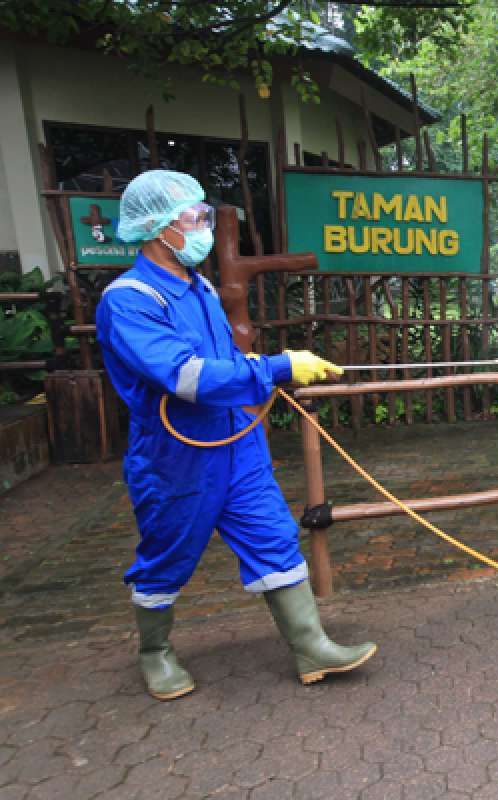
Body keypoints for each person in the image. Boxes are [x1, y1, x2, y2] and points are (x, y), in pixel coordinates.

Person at [96, 170, 376, 701]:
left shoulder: (197, 285)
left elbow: (217, 361)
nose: (203, 224)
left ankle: (311, 645)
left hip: (237, 445)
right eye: (194, 216)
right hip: (176, 456)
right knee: (167, 553)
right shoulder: (129, 300)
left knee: (273, 534)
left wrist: (248, 363)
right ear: (159, 228)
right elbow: (184, 377)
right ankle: (154, 653)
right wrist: (275, 367)